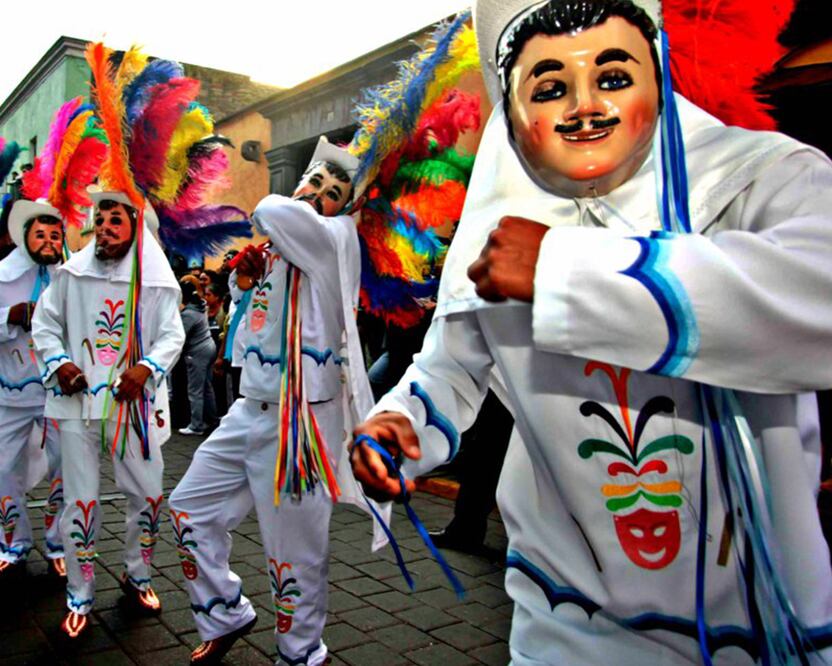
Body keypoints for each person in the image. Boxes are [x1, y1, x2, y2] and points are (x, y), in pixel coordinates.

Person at [351, 1, 832, 663]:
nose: (585, 107)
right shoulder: (499, 227)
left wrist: (565, 274)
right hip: (565, 620)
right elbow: (451, 370)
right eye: (549, 88)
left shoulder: (758, 181)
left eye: (611, 76)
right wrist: (400, 426)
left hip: (752, 629)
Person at [169, 137, 384, 666]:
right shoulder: (278, 251)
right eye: (314, 182)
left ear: (348, 208)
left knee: (294, 555)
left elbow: (268, 208)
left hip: (302, 424)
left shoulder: (335, 238)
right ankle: (225, 613)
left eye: (335, 192)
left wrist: (294, 207)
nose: (318, 196)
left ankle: (300, 653)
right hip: (248, 409)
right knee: (188, 511)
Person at [31, 44, 195, 639]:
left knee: (146, 497)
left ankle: (137, 573)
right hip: (77, 406)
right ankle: (78, 590)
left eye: (115, 220)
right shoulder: (71, 274)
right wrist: (58, 364)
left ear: (134, 226)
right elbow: (47, 326)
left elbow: (173, 332)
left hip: (135, 408)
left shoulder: (154, 279)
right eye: (99, 219)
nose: (104, 228)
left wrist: (148, 367)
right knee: (80, 500)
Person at [0, 199, 66, 583]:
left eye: (55, 234)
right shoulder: (3, 276)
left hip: (59, 394)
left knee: (66, 470)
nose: (48, 240)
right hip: (10, 392)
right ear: (25, 237)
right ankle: (13, 542)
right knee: (2, 469)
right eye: (40, 233)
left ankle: (58, 544)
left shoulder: (73, 279)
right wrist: (11, 317)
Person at [179, 276, 217, 436]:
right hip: (208, 346)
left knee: (195, 390)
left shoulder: (188, 314)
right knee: (206, 387)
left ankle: (196, 425)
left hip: (197, 352)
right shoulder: (200, 307)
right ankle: (212, 419)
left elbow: (181, 335)